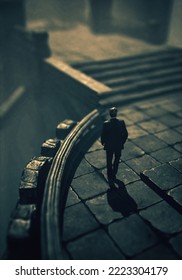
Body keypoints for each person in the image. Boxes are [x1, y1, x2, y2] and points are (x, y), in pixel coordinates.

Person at [101, 107, 128, 181]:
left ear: (109, 114)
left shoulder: (106, 124)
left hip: (109, 145)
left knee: (109, 160)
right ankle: (114, 173)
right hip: (118, 145)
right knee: (117, 159)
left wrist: (103, 142)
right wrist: (122, 142)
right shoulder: (121, 122)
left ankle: (109, 174)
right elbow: (125, 134)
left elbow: (103, 135)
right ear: (116, 114)